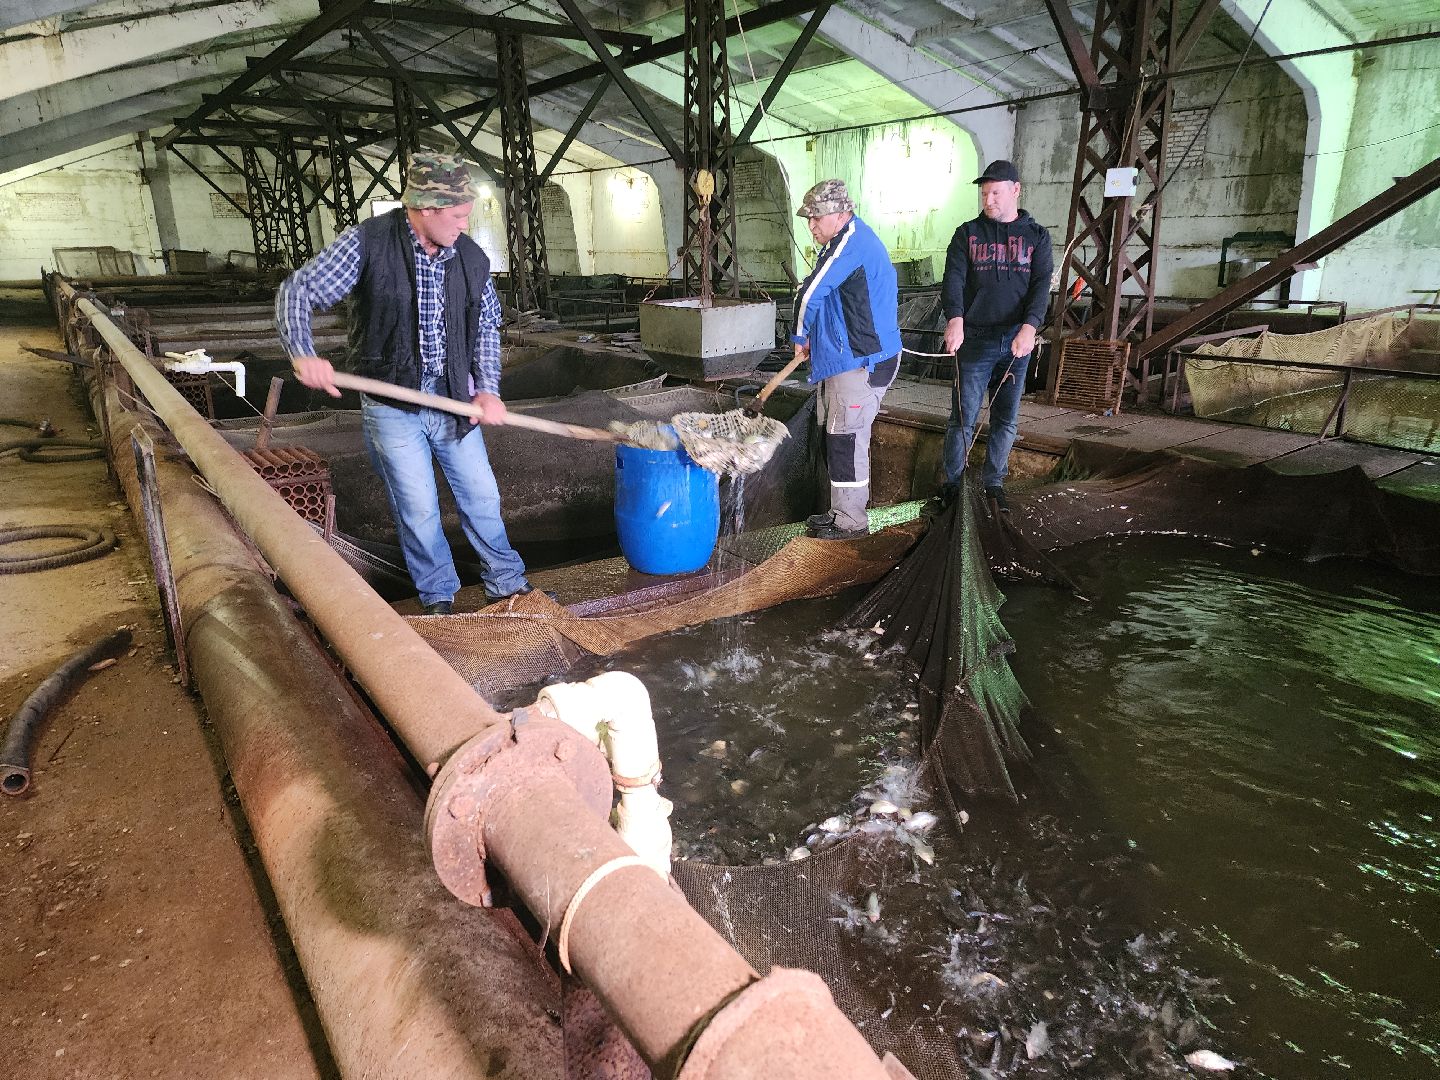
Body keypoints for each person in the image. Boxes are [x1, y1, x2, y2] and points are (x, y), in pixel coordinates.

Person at [276, 151, 532, 615]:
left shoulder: (470, 258)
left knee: (482, 496)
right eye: (456, 215)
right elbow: (298, 291)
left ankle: (508, 584)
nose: (463, 225)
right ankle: (438, 596)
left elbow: (487, 326)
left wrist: (488, 387)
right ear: (425, 209)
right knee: (417, 508)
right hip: (392, 404)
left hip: (455, 400)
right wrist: (303, 353)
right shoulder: (368, 244)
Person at [791, 179, 902, 541]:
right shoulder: (838, 242)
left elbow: (809, 295)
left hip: (861, 362)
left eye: (815, 218)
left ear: (840, 213)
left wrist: (798, 336)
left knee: (848, 440)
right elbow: (833, 302)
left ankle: (851, 523)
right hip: (845, 359)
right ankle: (840, 512)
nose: (811, 226)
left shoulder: (852, 244)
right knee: (837, 436)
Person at [940, 159, 1054, 509]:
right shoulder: (967, 234)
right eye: (984, 193)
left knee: (1005, 418)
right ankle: (952, 485)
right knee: (963, 416)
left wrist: (1030, 328)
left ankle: (993, 484)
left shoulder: (1037, 237)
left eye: (995, 193)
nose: (988, 200)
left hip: (1015, 342)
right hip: (974, 339)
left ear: (1015, 190)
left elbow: (1040, 286)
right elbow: (954, 279)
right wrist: (955, 318)